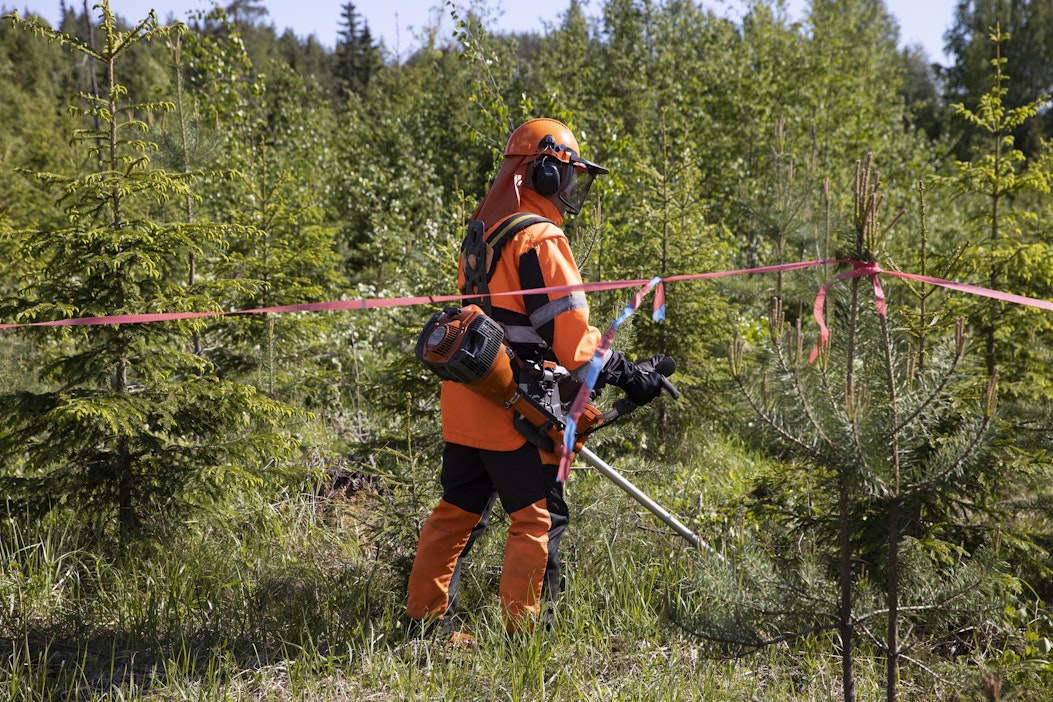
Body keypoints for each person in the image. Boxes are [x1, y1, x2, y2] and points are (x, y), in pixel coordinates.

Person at [405, 118, 667, 635]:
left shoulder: (481, 236)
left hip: (467, 399)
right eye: (567, 177)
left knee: (455, 512)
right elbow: (573, 344)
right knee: (537, 519)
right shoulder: (540, 239)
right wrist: (628, 373)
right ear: (542, 173)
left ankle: (423, 625)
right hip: (517, 409)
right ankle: (527, 637)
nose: (570, 190)